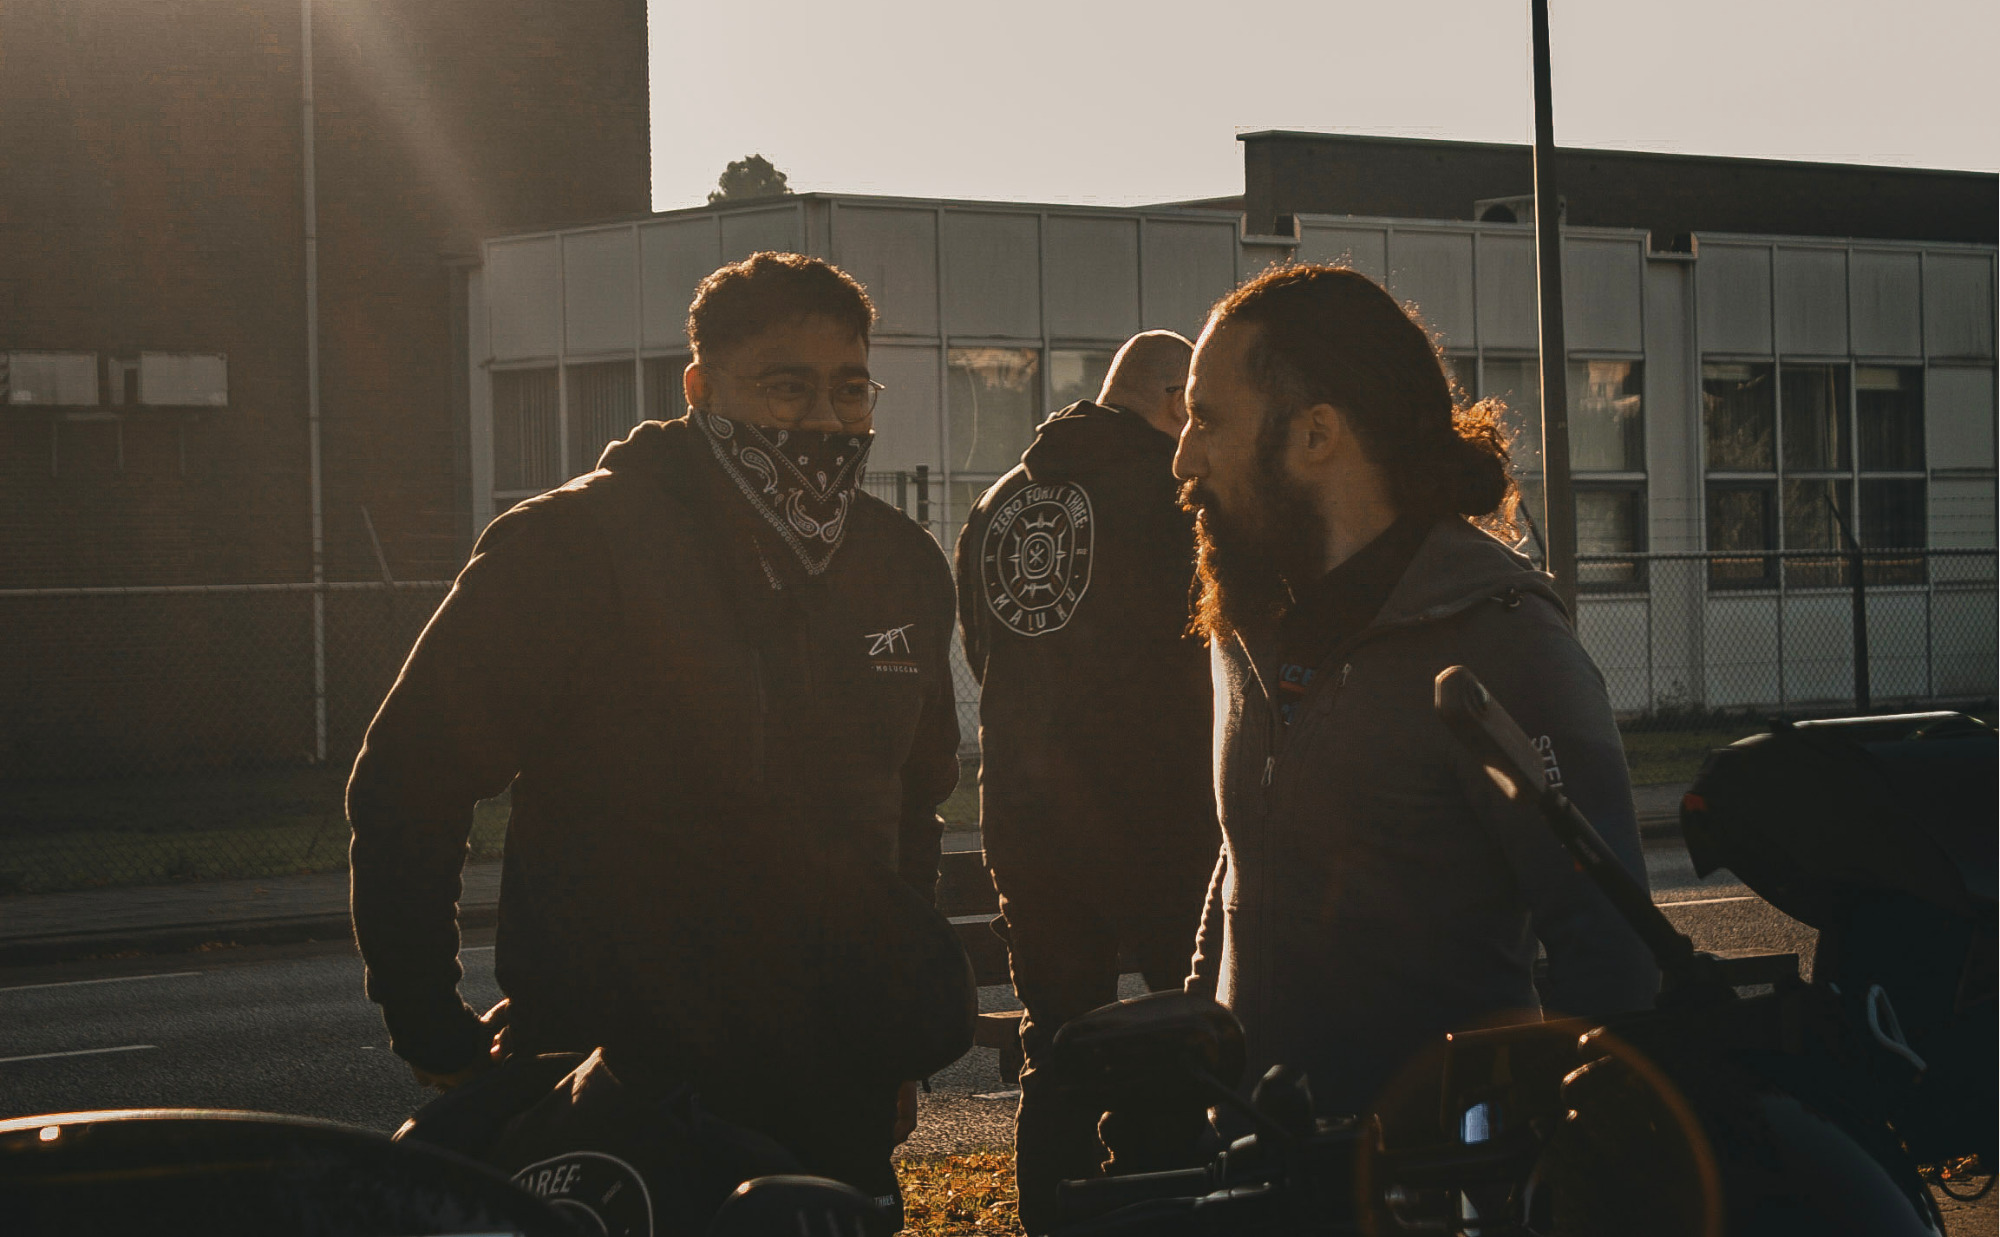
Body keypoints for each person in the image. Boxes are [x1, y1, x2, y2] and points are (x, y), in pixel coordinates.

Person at [346, 252, 969, 1215]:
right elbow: (410, 777)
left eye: (851, 390)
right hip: (614, 1089)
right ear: (700, 388)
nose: (825, 421)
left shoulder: (902, 564)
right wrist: (429, 1024)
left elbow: (912, 806)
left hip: (830, 1081)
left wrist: (892, 1032)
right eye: (786, 388)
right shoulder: (571, 545)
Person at [1174, 264, 1658, 1123]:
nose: (1183, 456)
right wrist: (1193, 1055)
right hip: (1252, 1162)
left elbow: (1611, 951)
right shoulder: (1249, 622)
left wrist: (1551, 1160)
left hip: (1431, 1173)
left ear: (1316, 433)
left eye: (1206, 420)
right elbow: (1246, 856)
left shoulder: (1503, 638)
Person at [956, 331, 1220, 1231]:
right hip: (1159, 812)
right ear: (1175, 400)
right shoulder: (1177, 499)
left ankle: (1054, 1214)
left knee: (1058, 1040)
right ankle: (1170, 1203)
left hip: (1024, 815)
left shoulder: (999, 501)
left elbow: (985, 654)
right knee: (1186, 1026)